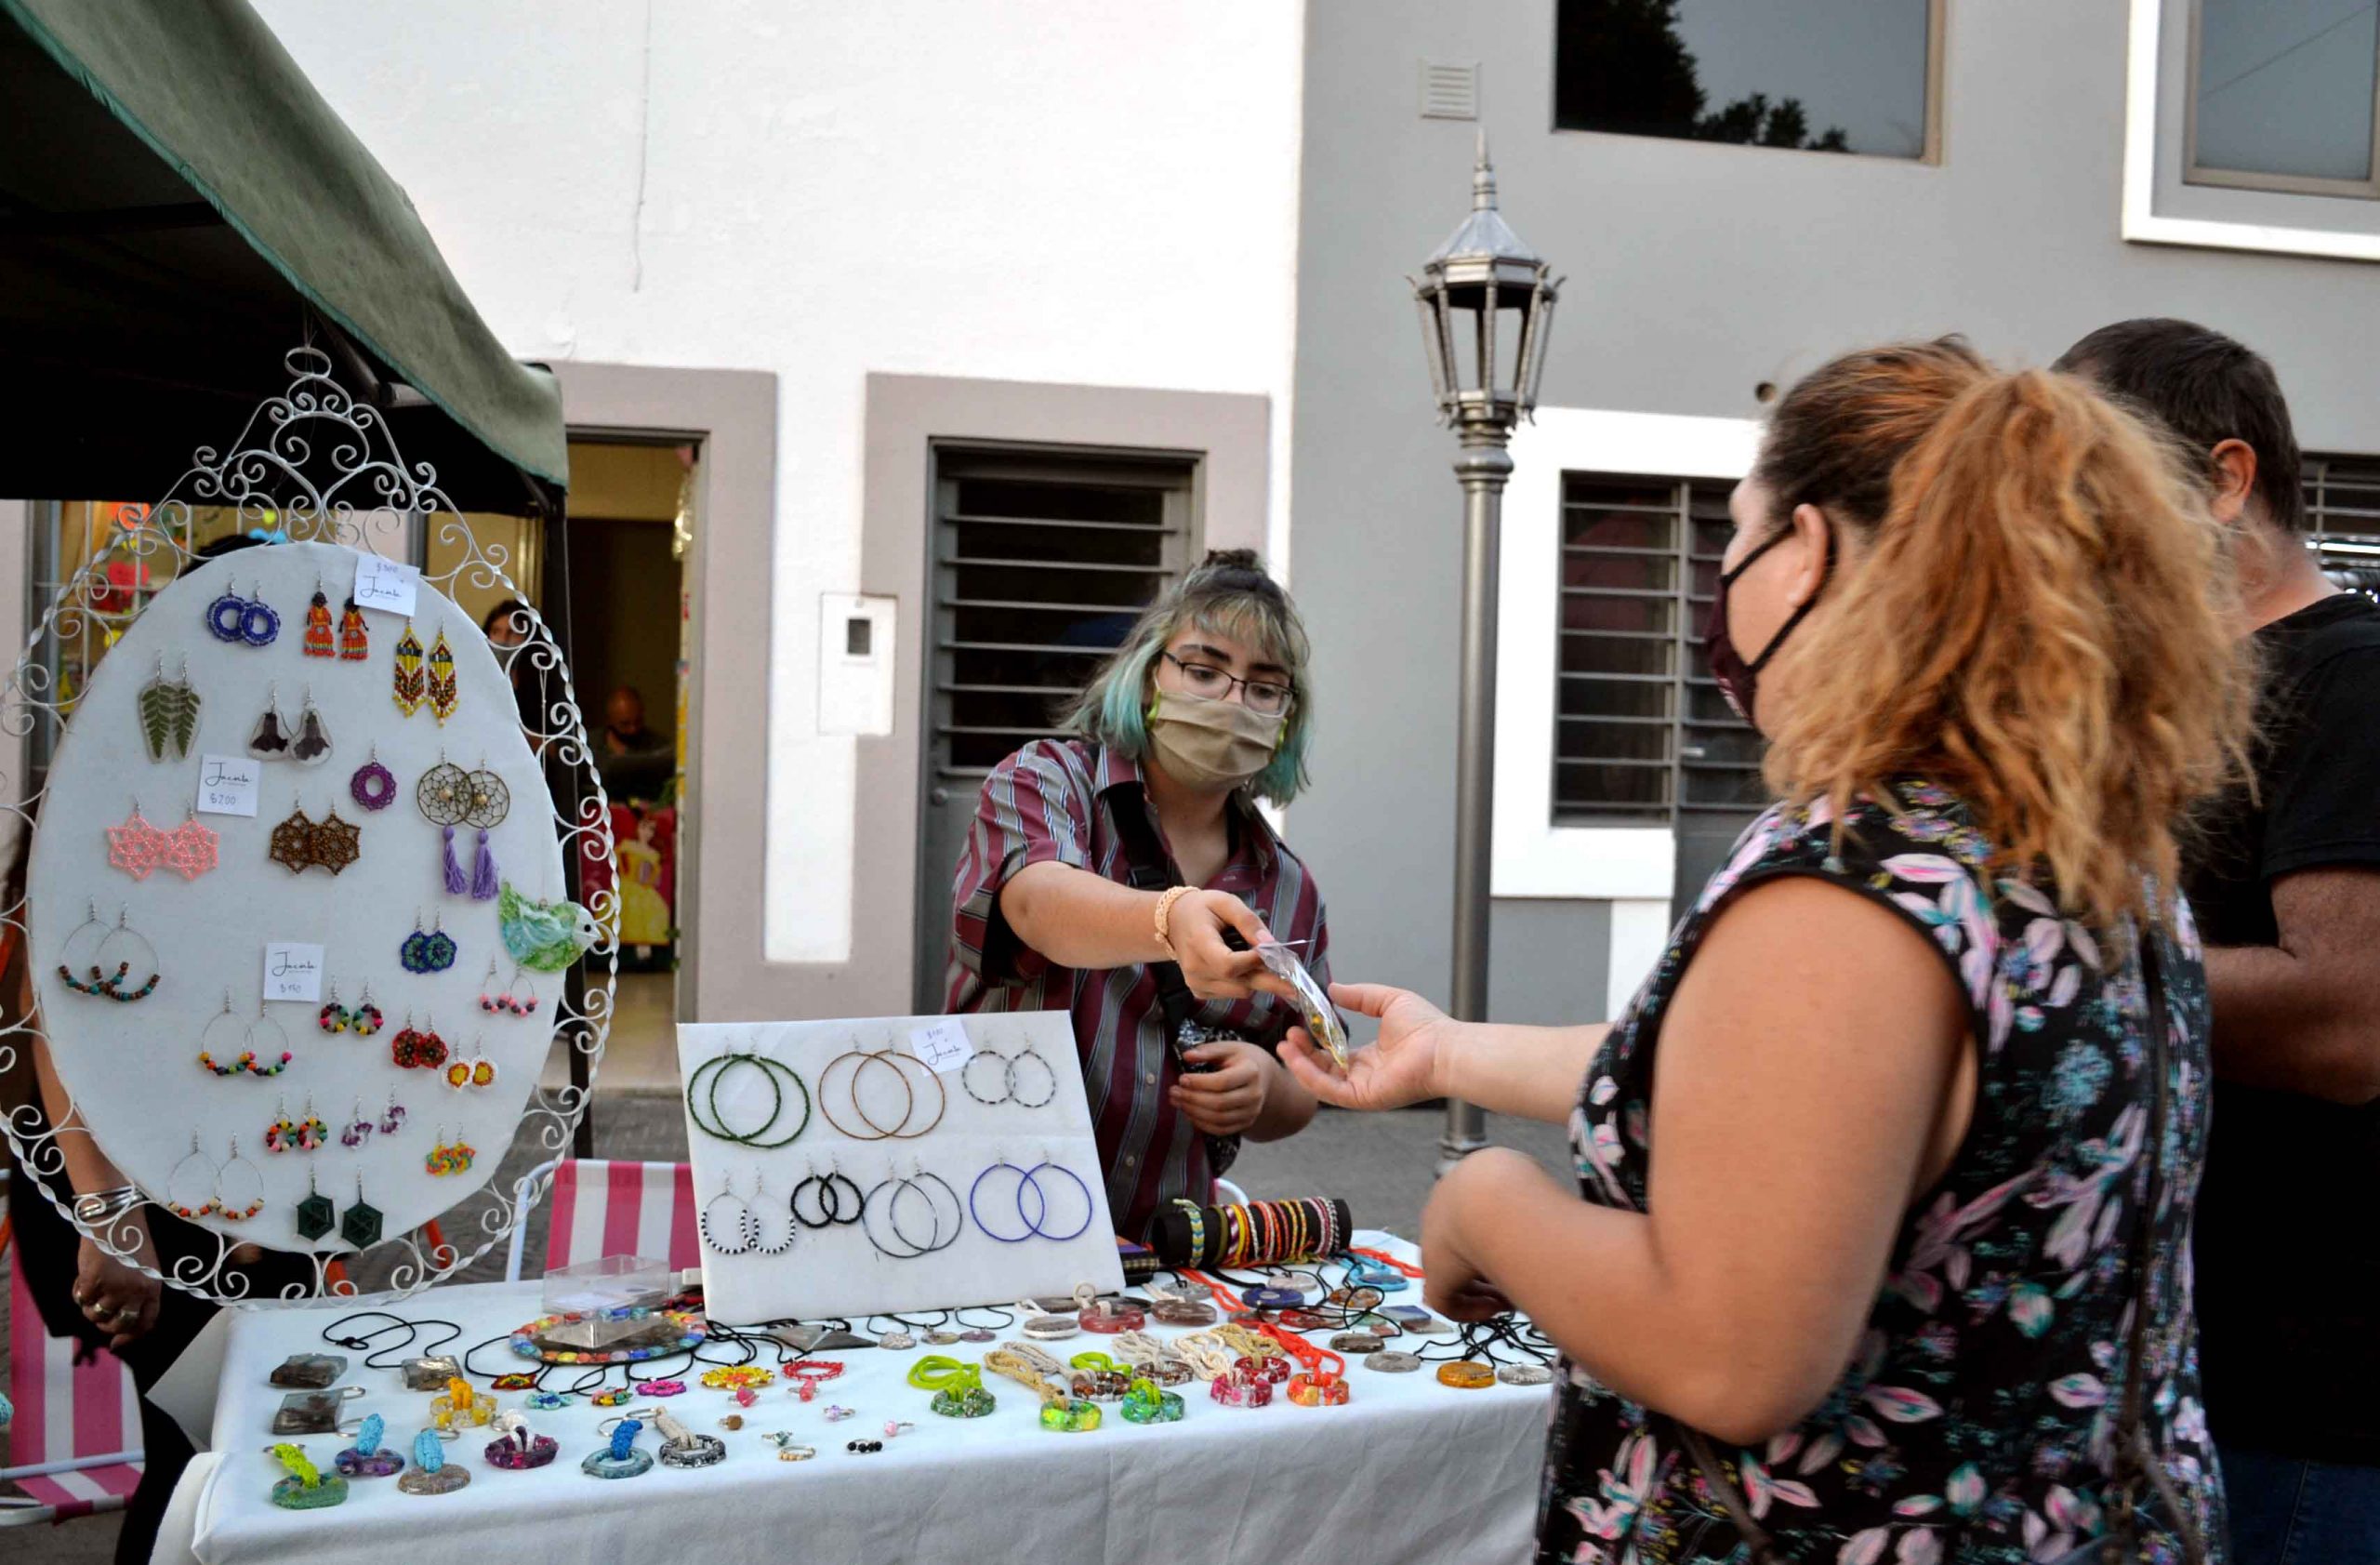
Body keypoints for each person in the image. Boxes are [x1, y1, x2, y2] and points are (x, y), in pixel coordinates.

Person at [1282, 342, 2251, 1562]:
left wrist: (1485, 1202)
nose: (1720, 580)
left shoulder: (1858, 882)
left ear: (1806, 546)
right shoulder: (2087, 857)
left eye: (1732, 535)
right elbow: (1788, 1100)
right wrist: (1448, 1054)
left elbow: (1730, 1354)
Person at [2058, 318, 2380, 1562]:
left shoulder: (2350, 681)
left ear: (2225, 479)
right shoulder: (2181, 700)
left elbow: (2348, 1018)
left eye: (2095, 484)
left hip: (2302, 1417)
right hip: (2176, 1384)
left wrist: (2037, 977)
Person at [945, 549, 1325, 1236]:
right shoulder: (1045, 781)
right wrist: (1170, 916)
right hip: (988, 1220)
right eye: (1204, 671)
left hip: (1168, 1241)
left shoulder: (1290, 888)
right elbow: (1035, 903)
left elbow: (1310, 1077)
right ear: (1150, 677)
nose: (1232, 701)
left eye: (1264, 688)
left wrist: (1266, 1089)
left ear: (1285, 718)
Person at [602, 685, 663, 756]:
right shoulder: (592, 746)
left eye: (638, 721)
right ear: (609, 720)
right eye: (625, 724)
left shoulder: (658, 747)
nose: (633, 729)